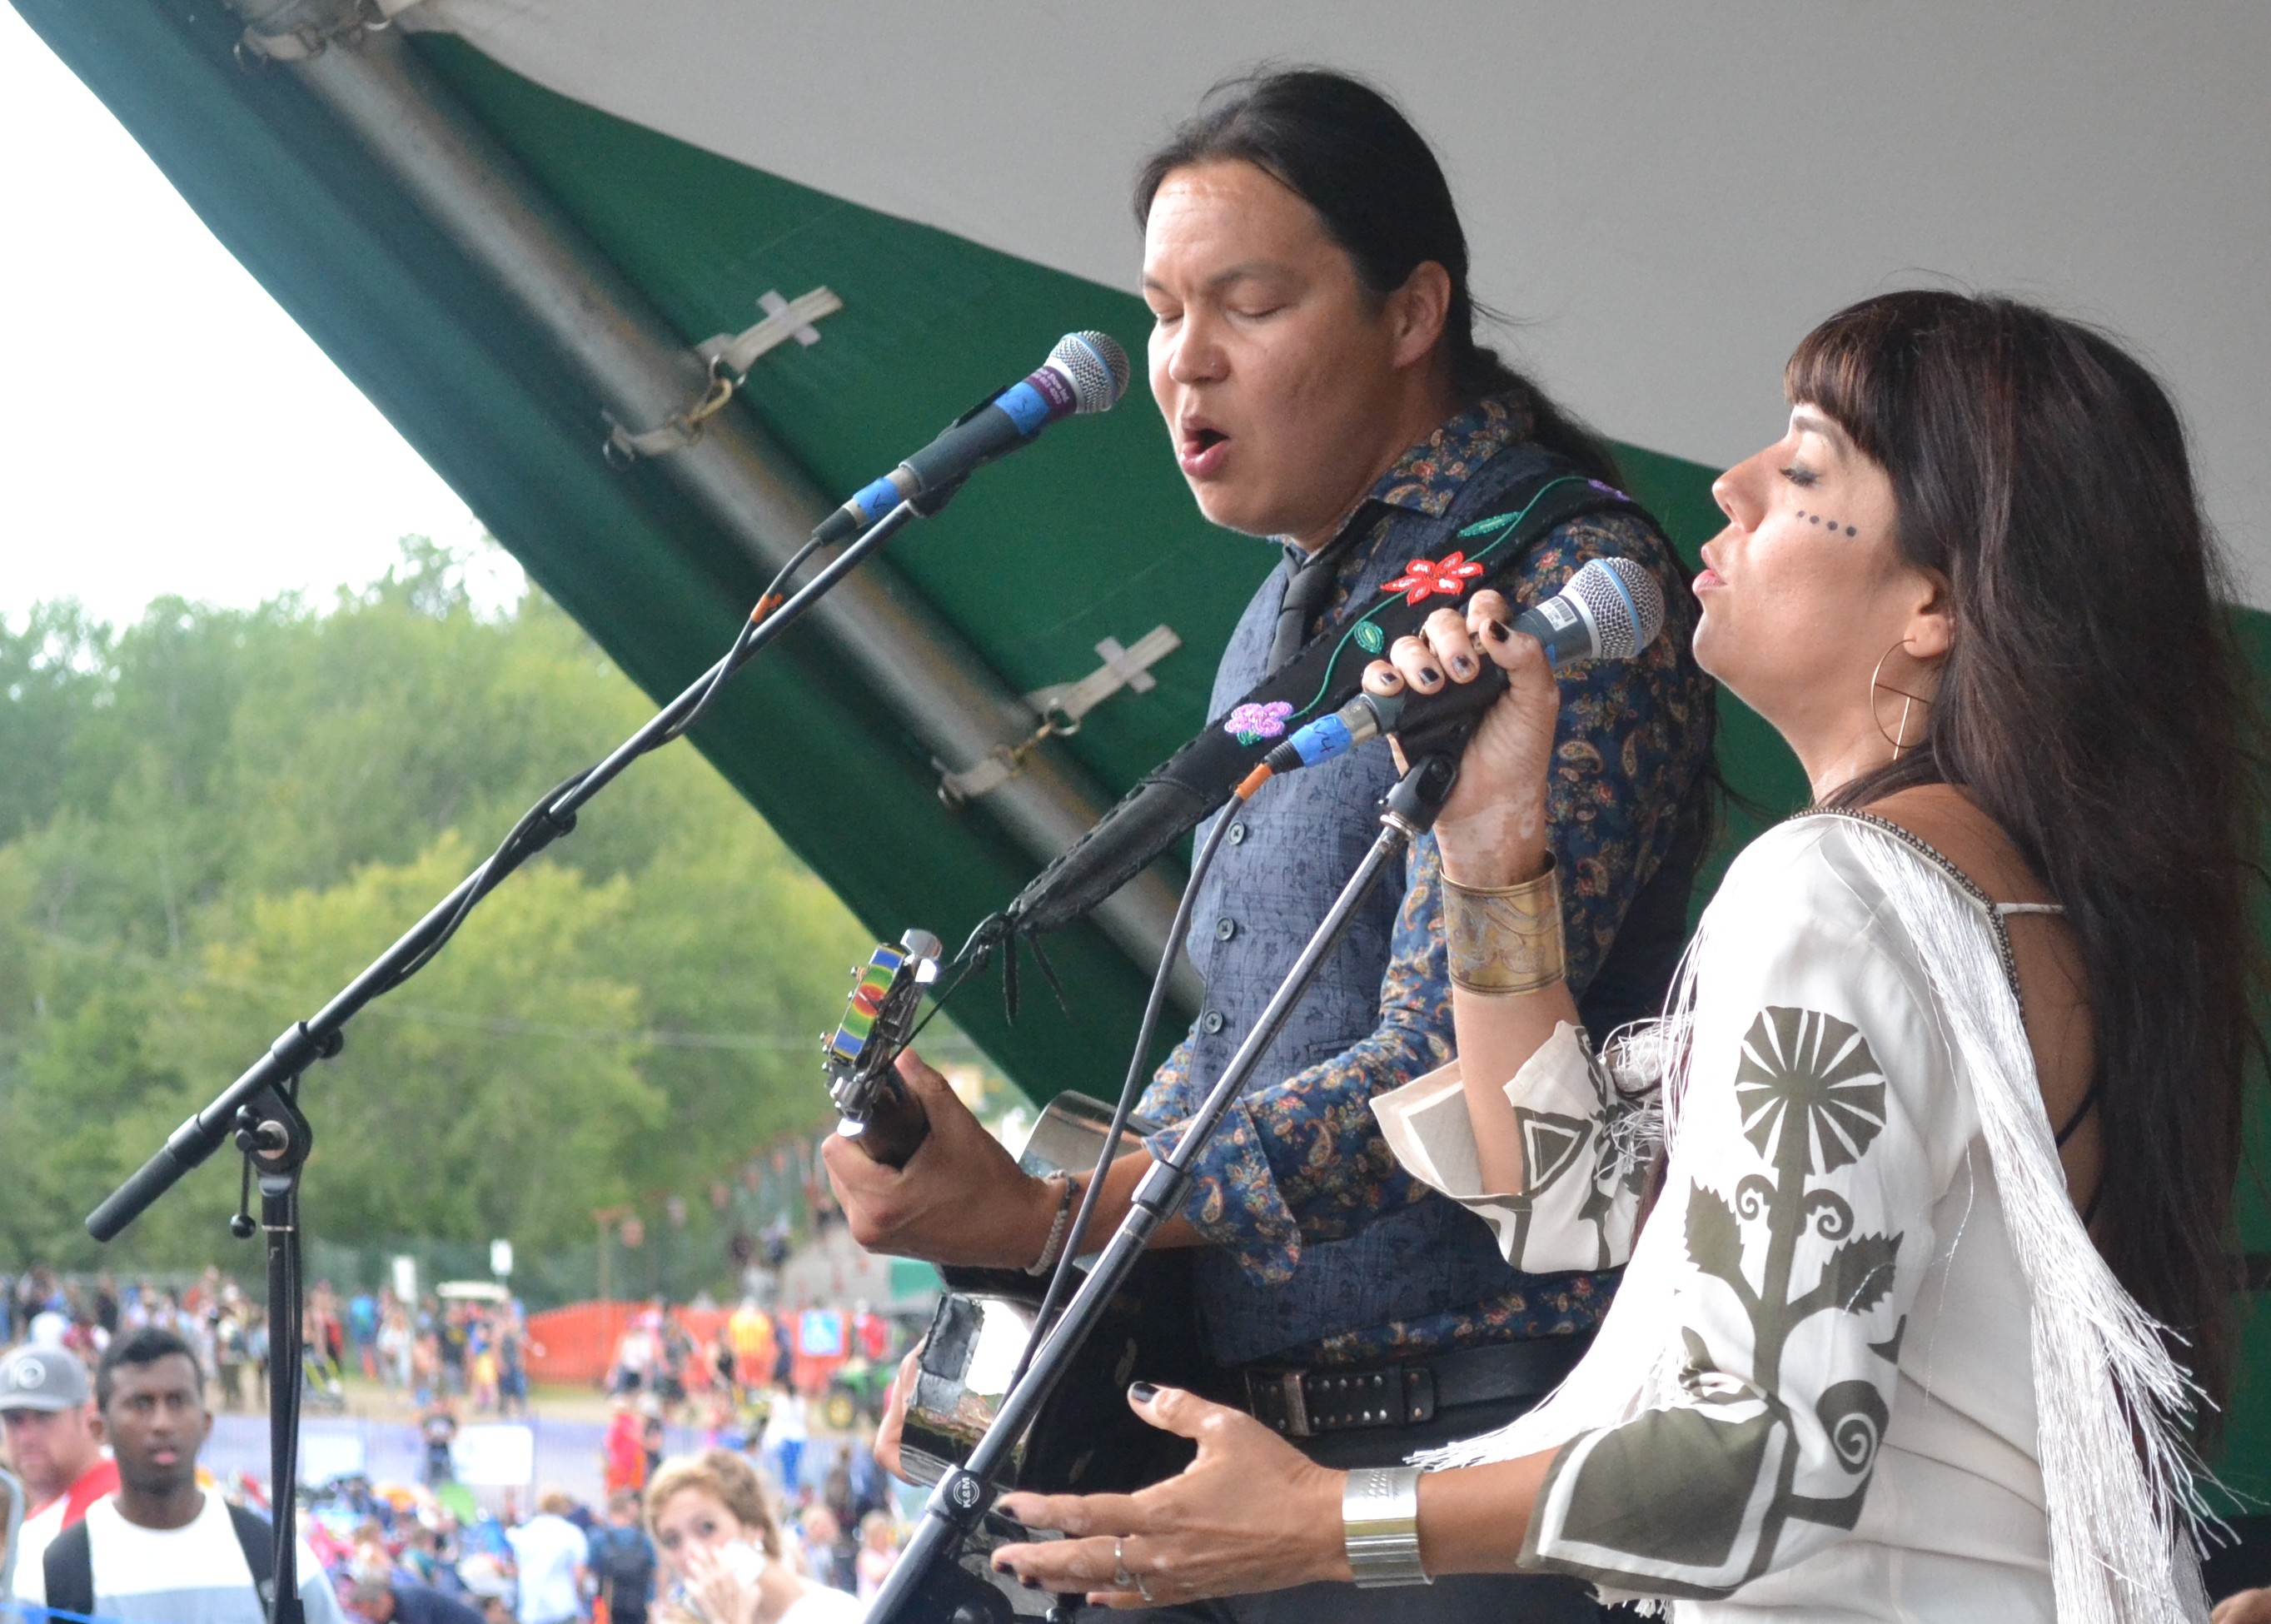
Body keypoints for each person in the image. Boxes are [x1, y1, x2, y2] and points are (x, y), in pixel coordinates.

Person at [989, 291, 2252, 1622]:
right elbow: (1566, 1196)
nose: (1732, 482)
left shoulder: (1836, 893)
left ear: (1934, 598)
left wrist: (1324, 1523)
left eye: (1805, 465)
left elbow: (1751, 1460)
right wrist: (1488, 848)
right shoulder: (1994, 889)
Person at [828, 67, 1712, 1624]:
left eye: (1244, 304)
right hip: (1259, 1450)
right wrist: (1031, 1278)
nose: (1185, 367)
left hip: (1470, 1450)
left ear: (1412, 308)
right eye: (1162, 313)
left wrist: (1069, 1213)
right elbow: (1244, 1031)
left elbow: (1452, 1068)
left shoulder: (1556, 590)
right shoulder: (1291, 604)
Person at [15, 1327, 346, 1623]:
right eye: (141, 1404)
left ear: (206, 1423)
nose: (162, 1423)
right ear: (99, 1429)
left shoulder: (280, 1563)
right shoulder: (52, 1575)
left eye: (177, 1401)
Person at [644, 1449, 859, 1624]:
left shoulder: (834, 1613)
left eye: (707, 1528)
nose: (691, 1552)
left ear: (753, 1526)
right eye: (672, 1541)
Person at [0, 1343, 120, 1583]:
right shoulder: (43, 1510)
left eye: (44, 1417)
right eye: (14, 1420)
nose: (27, 1437)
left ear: (88, 1414)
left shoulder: (119, 1503)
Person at [505, 1488, 589, 1624]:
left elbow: (516, 1567)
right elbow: (579, 1574)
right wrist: (580, 1604)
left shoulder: (525, 1533)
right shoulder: (572, 1533)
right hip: (563, 1609)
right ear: (563, 1506)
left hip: (531, 1608)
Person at [589, 1487, 659, 1624]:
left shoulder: (598, 1539)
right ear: (630, 1510)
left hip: (607, 1609)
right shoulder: (644, 1540)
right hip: (639, 1608)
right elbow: (657, 1573)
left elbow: (591, 1574)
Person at [351, 1576, 489, 1624]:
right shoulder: (392, 1607)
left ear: (384, 1598)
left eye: (372, 1610)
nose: (371, 1616)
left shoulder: (410, 1605)